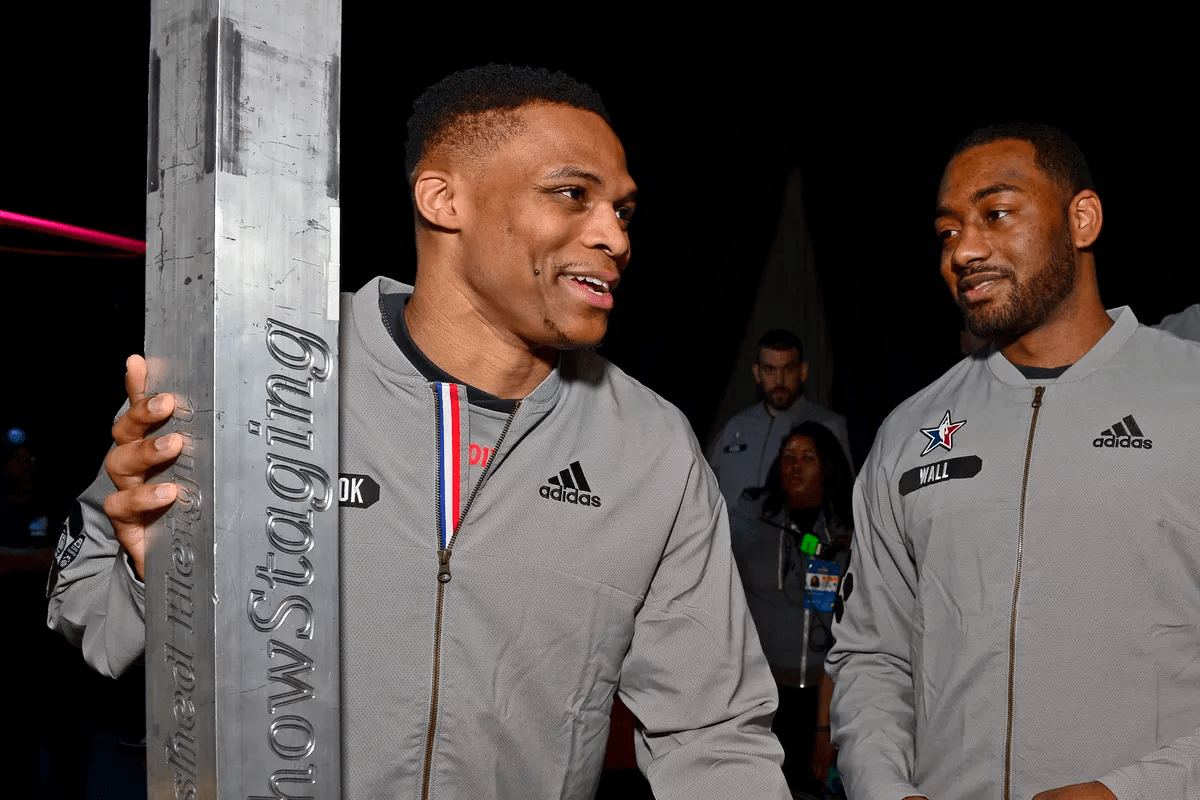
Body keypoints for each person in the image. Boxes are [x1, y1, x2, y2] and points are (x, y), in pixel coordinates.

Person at [46, 65, 790, 799]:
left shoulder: (651, 449)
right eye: (573, 195)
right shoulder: (252, 371)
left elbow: (714, 734)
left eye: (623, 212)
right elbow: (85, 610)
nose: (615, 238)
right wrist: (154, 574)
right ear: (443, 198)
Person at [826, 121, 1200, 800]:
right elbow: (872, 654)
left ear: (1081, 219)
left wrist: (1138, 791)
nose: (964, 250)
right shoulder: (909, 429)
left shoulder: (1190, 394)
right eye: (946, 232)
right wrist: (884, 788)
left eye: (996, 215)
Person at [728, 420, 853, 798]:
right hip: (760, 697)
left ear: (826, 468)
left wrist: (824, 729)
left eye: (807, 457)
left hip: (818, 698)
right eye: (787, 457)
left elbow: (841, 638)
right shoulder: (752, 520)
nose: (795, 466)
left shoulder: (841, 535)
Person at [708, 329, 851, 509]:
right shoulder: (735, 427)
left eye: (788, 369)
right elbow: (704, 496)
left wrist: (809, 539)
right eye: (770, 370)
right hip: (733, 537)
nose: (779, 381)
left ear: (803, 372)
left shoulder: (831, 427)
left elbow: (844, 508)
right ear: (757, 373)